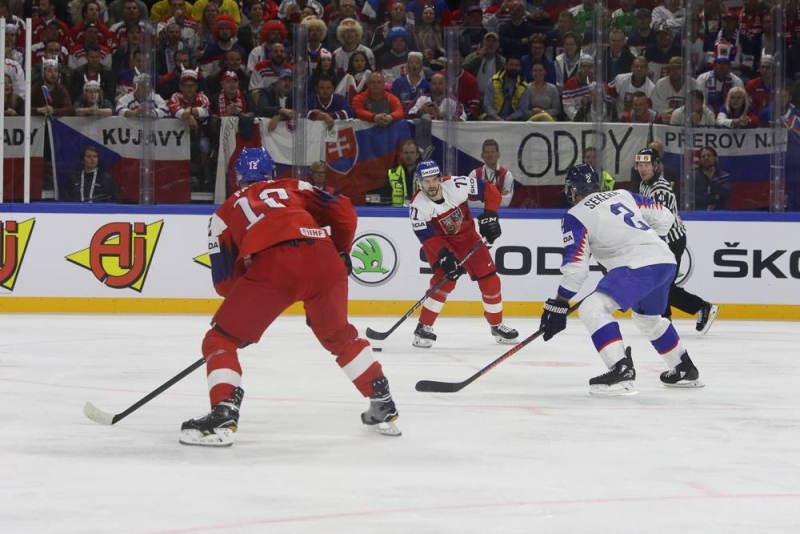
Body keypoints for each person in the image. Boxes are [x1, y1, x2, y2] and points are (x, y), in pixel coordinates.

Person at [180, 147, 400, 447]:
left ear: (238, 178)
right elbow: (344, 211)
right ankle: (382, 401)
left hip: (275, 266)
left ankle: (223, 411)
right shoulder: (293, 186)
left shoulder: (222, 215)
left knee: (219, 341)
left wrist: (244, 320)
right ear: (271, 173)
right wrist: (341, 250)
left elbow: (223, 282)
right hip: (325, 258)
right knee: (338, 336)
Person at [538, 163, 704, 396]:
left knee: (592, 309)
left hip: (637, 266)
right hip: (664, 261)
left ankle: (621, 371)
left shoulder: (575, 215)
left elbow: (576, 267)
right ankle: (683, 367)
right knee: (648, 319)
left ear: (573, 190)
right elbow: (666, 216)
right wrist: (651, 245)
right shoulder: (623, 194)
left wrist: (560, 301)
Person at [409, 159, 519, 348]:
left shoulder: (456, 185)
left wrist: (490, 215)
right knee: (445, 280)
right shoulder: (417, 207)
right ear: (419, 182)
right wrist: (444, 255)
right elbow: (427, 238)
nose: (431, 185)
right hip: (440, 242)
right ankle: (423, 327)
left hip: (468, 238)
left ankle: (497, 324)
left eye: (434, 179)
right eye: (426, 181)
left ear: (439, 178)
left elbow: (491, 191)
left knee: (491, 280)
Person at [635, 148, 719, 334]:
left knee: (662, 285)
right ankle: (666, 320)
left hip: (670, 242)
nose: (643, 168)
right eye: (640, 165)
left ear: (656, 166)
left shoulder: (661, 190)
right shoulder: (645, 184)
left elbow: (660, 222)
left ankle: (700, 307)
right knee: (661, 285)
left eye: (647, 165)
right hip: (660, 240)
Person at [467, 139, 514, 208]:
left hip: (502, 217)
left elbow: (505, 202)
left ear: (498, 155)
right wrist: (499, 197)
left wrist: (482, 199)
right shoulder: (474, 175)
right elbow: (471, 203)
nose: (490, 155)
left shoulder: (507, 175)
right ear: (482, 155)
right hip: (478, 216)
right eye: (487, 152)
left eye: (492, 152)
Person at [693, 146, 732, 211]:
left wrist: (712, 180)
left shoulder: (724, 176)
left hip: (719, 214)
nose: (706, 158)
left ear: (715, 158)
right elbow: (693, 199)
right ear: (700, 160)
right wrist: (715, 197)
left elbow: (726, 194)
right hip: (698, 214)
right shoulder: (693, 176)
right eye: (703, 156)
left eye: (709, 155)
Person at [387, 139, 420, 207]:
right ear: (401, 155)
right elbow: (385, 200)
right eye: (406, 152)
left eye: (412, 152)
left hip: (420, 214)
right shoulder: (392, 174)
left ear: (417, 155)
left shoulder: (425, 175)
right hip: (397, 214)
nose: (409, 156)